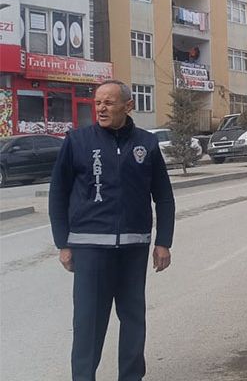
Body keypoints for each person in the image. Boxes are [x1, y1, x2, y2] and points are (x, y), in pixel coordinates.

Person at [49, 80, 175, 381]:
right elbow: (58, 194)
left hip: (133, 249)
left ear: (127, 106)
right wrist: (62, 244)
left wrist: (163, 242)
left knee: (133, 320)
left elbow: (164, 196)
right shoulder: (77, 141)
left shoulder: (147, 143)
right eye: (98, 102)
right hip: (90, 249)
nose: (101, 108)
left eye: (109, 102)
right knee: (88, 324)